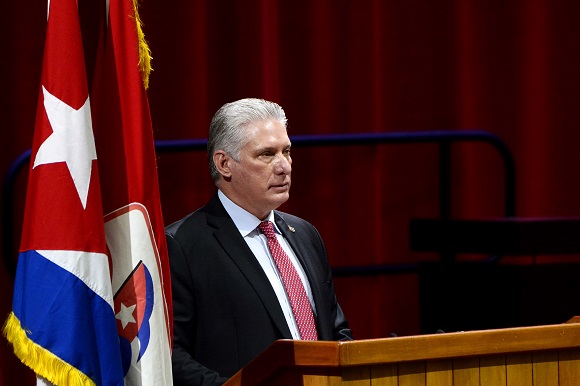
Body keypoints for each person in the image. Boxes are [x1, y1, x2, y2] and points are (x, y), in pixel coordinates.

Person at [166, 98, 353, 385]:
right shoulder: (181, 245)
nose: (284, 167)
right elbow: (170, 355)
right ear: (224, 163)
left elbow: (335, 330)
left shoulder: (305, 234)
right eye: (266, 154)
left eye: (286, 151)